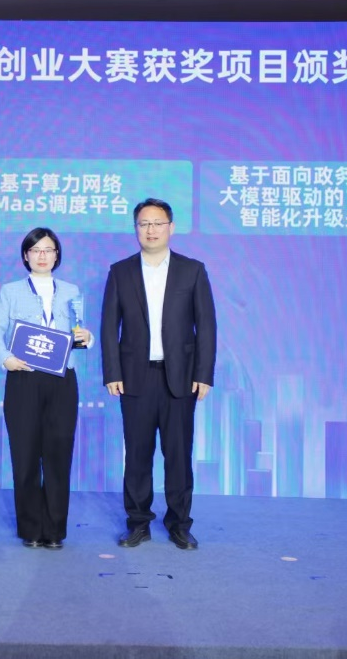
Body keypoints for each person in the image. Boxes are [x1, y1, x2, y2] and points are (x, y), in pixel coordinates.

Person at [101, 198, 216, 551]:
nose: (150, 230)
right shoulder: (120, 271)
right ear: (136, 228)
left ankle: (179, 524)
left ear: (171, 227)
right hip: (134, 377)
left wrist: (204, 374)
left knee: (178, 455)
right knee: (137, 455)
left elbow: (206, 326)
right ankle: (138, 523)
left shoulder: (192, 270)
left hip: (179, 377)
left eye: (157, 223)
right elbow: (109, 326)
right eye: (144, 224)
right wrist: (112, 372)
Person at [0, 227, 93, 550]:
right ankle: (30, 529)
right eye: (36, 250)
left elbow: (78, 332)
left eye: (48, 250)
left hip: (62, 379)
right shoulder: (11, 291)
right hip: (24, 378)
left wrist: (87, 338)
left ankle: (55, 530)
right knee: (25, 455)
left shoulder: (71, 290)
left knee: (58, 456)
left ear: (57, 255)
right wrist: (5, 358)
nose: (42, 256)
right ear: (25, 256)